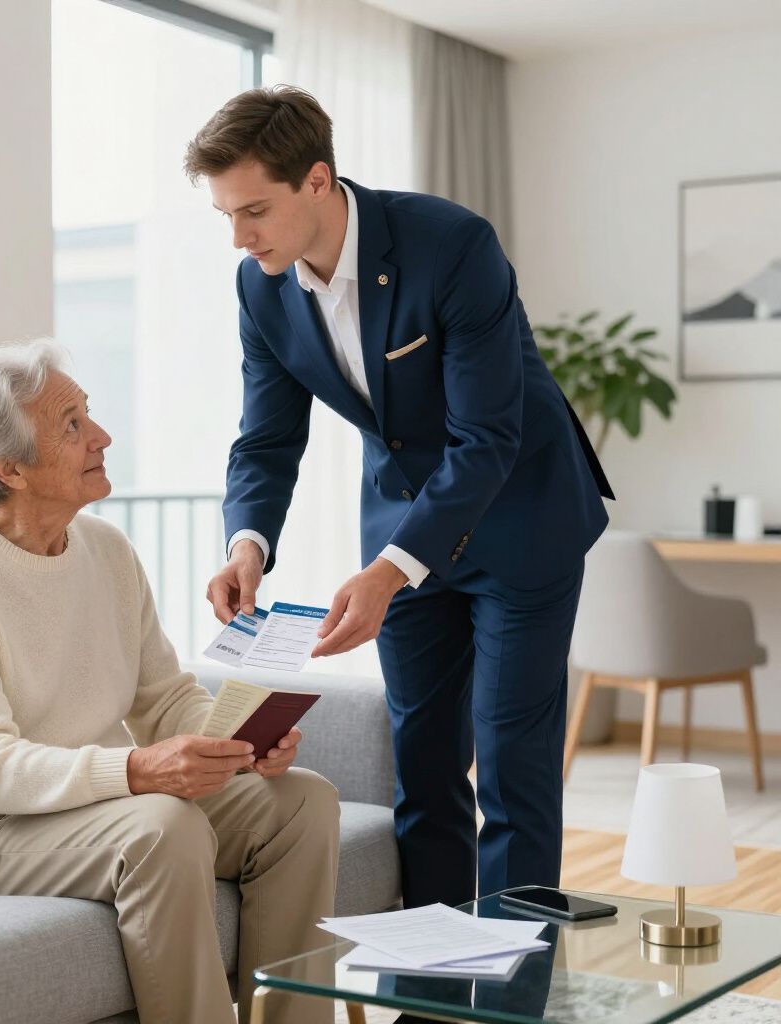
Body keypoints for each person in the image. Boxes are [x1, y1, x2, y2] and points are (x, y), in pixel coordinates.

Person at [185, 87, 613, 911]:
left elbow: (489, 436)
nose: (240, 238)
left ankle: (511, 991)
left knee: (512, 763)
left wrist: (386, 571)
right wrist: (248, 546)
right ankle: (434, 987)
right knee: (421, 766)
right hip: (403, 524)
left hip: (522, 516)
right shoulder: (260, 287)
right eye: (226, 217)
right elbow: (268, 438)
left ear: (317, 181)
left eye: (255, 211)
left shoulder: (451, 245)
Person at [0, 340, 340, 1024]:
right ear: (8, 467)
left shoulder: (106, 550)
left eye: (88, 414)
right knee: (163, 826)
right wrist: (136, 770)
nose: (102, 436)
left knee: (302, 802)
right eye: (70, 425)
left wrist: (239, 743)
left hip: (90, 804)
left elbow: (163, 697)